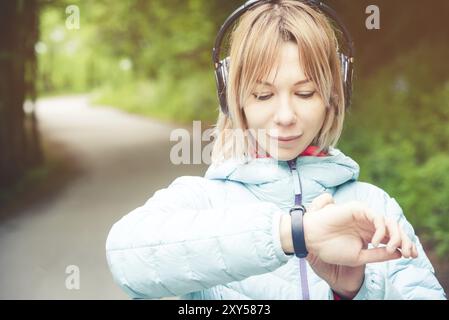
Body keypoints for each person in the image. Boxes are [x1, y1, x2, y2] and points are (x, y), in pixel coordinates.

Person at [105, 0, 446, 300]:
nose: (285, 117)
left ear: (332, 96)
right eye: (264, 95)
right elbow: (127, 259)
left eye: (305, 93)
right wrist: (293, 233)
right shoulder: (200, 200)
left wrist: (353, 293)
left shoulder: (376, 207)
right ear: (233, 97)